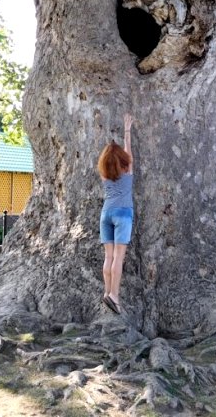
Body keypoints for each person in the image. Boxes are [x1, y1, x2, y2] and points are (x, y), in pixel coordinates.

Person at [97, 113, 134, 314]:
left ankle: (106, 292)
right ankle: (114, 296)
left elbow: (110, 161)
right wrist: (127, 131)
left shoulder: (104, 175)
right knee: (118, 258)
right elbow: (128, 154)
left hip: (106, 213)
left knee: (108, 256)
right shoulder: (127, 171)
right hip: (123, 214)